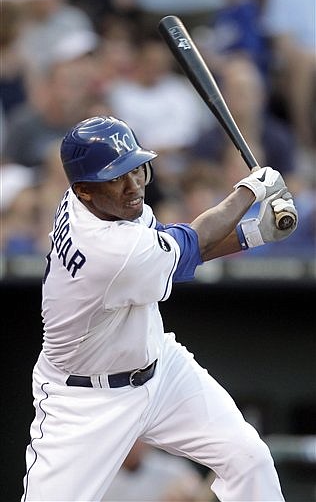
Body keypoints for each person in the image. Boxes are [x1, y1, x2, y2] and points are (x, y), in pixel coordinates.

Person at [21, 115, 298, 501]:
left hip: (160, 369)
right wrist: (248, 192)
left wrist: (254, 232)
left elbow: (174, 250)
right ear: (83, 190)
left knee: (248, 458)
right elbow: (191, 243)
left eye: (135, 170)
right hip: (85, 400)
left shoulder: (93, 204)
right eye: (116, 177)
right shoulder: (107, 250)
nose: (133, 186)